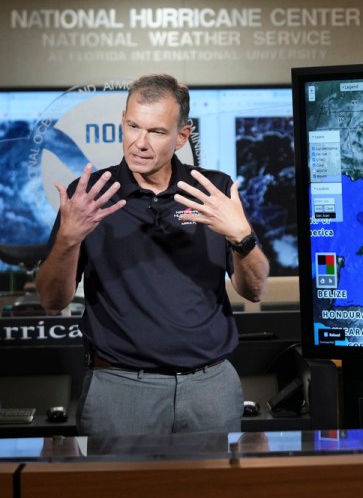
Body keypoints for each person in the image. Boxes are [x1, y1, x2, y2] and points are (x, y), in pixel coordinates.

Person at [35, 73, 270, 436]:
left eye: (157, 132)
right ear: (123, 122)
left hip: (209, 388)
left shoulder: (212, 191)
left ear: (182, 136)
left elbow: (254, 290)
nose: (140, 143)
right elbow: (52, 301)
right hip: (120, 389)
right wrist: (68, 240)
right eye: (133, 126)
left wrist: (242, 238)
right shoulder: (90, 196)